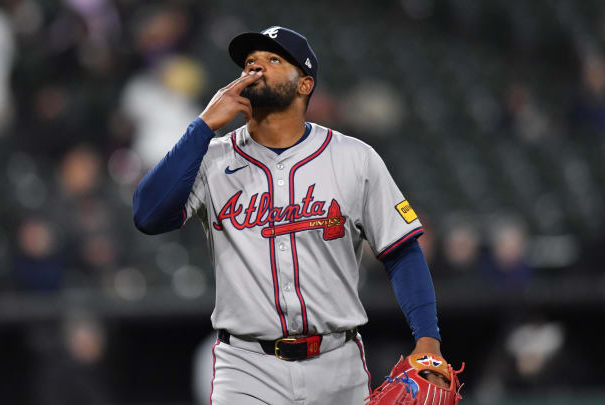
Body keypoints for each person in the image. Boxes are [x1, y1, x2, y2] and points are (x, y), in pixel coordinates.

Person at [133, 26, 447, 404]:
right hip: (247, 367)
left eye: (273, 60)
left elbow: (402, 251)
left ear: (304, 85)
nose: (255, 69)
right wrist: (203, 126)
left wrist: (427, 339)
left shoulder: (354, 158)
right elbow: (147, 215)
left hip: (338, 363)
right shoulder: (213, 158)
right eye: (249, 62)